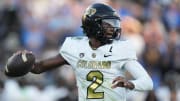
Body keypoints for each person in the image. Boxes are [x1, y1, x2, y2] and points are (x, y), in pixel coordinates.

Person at [13, 3, 153, 101]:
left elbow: (147, 82)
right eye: (108, 24)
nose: (113, 28)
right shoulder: (75, 47)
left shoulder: (121, 49)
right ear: (93, 25)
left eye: (114, 24)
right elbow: (39, 67)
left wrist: (130, 83)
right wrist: (26, 61)